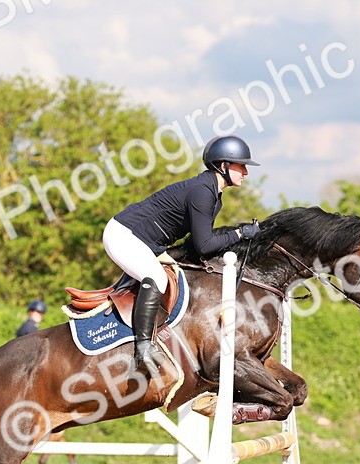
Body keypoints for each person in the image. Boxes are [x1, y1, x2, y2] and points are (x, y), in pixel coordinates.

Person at [104, 134, 261, 376]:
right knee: (156, 277)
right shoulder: (203, 192)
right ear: (223, 166)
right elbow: (205, 246)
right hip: (124, 235)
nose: (246, 172)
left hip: (146, 241)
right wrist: (240, 234)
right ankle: (143, 349)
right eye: (241, 166)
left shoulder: (212, 193)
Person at [15, 300, 83, 464]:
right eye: (35, 312)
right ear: (30, 312)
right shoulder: (27, 329)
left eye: (39, 313)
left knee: (58, 438)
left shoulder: (33, 328)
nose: (37, 314)